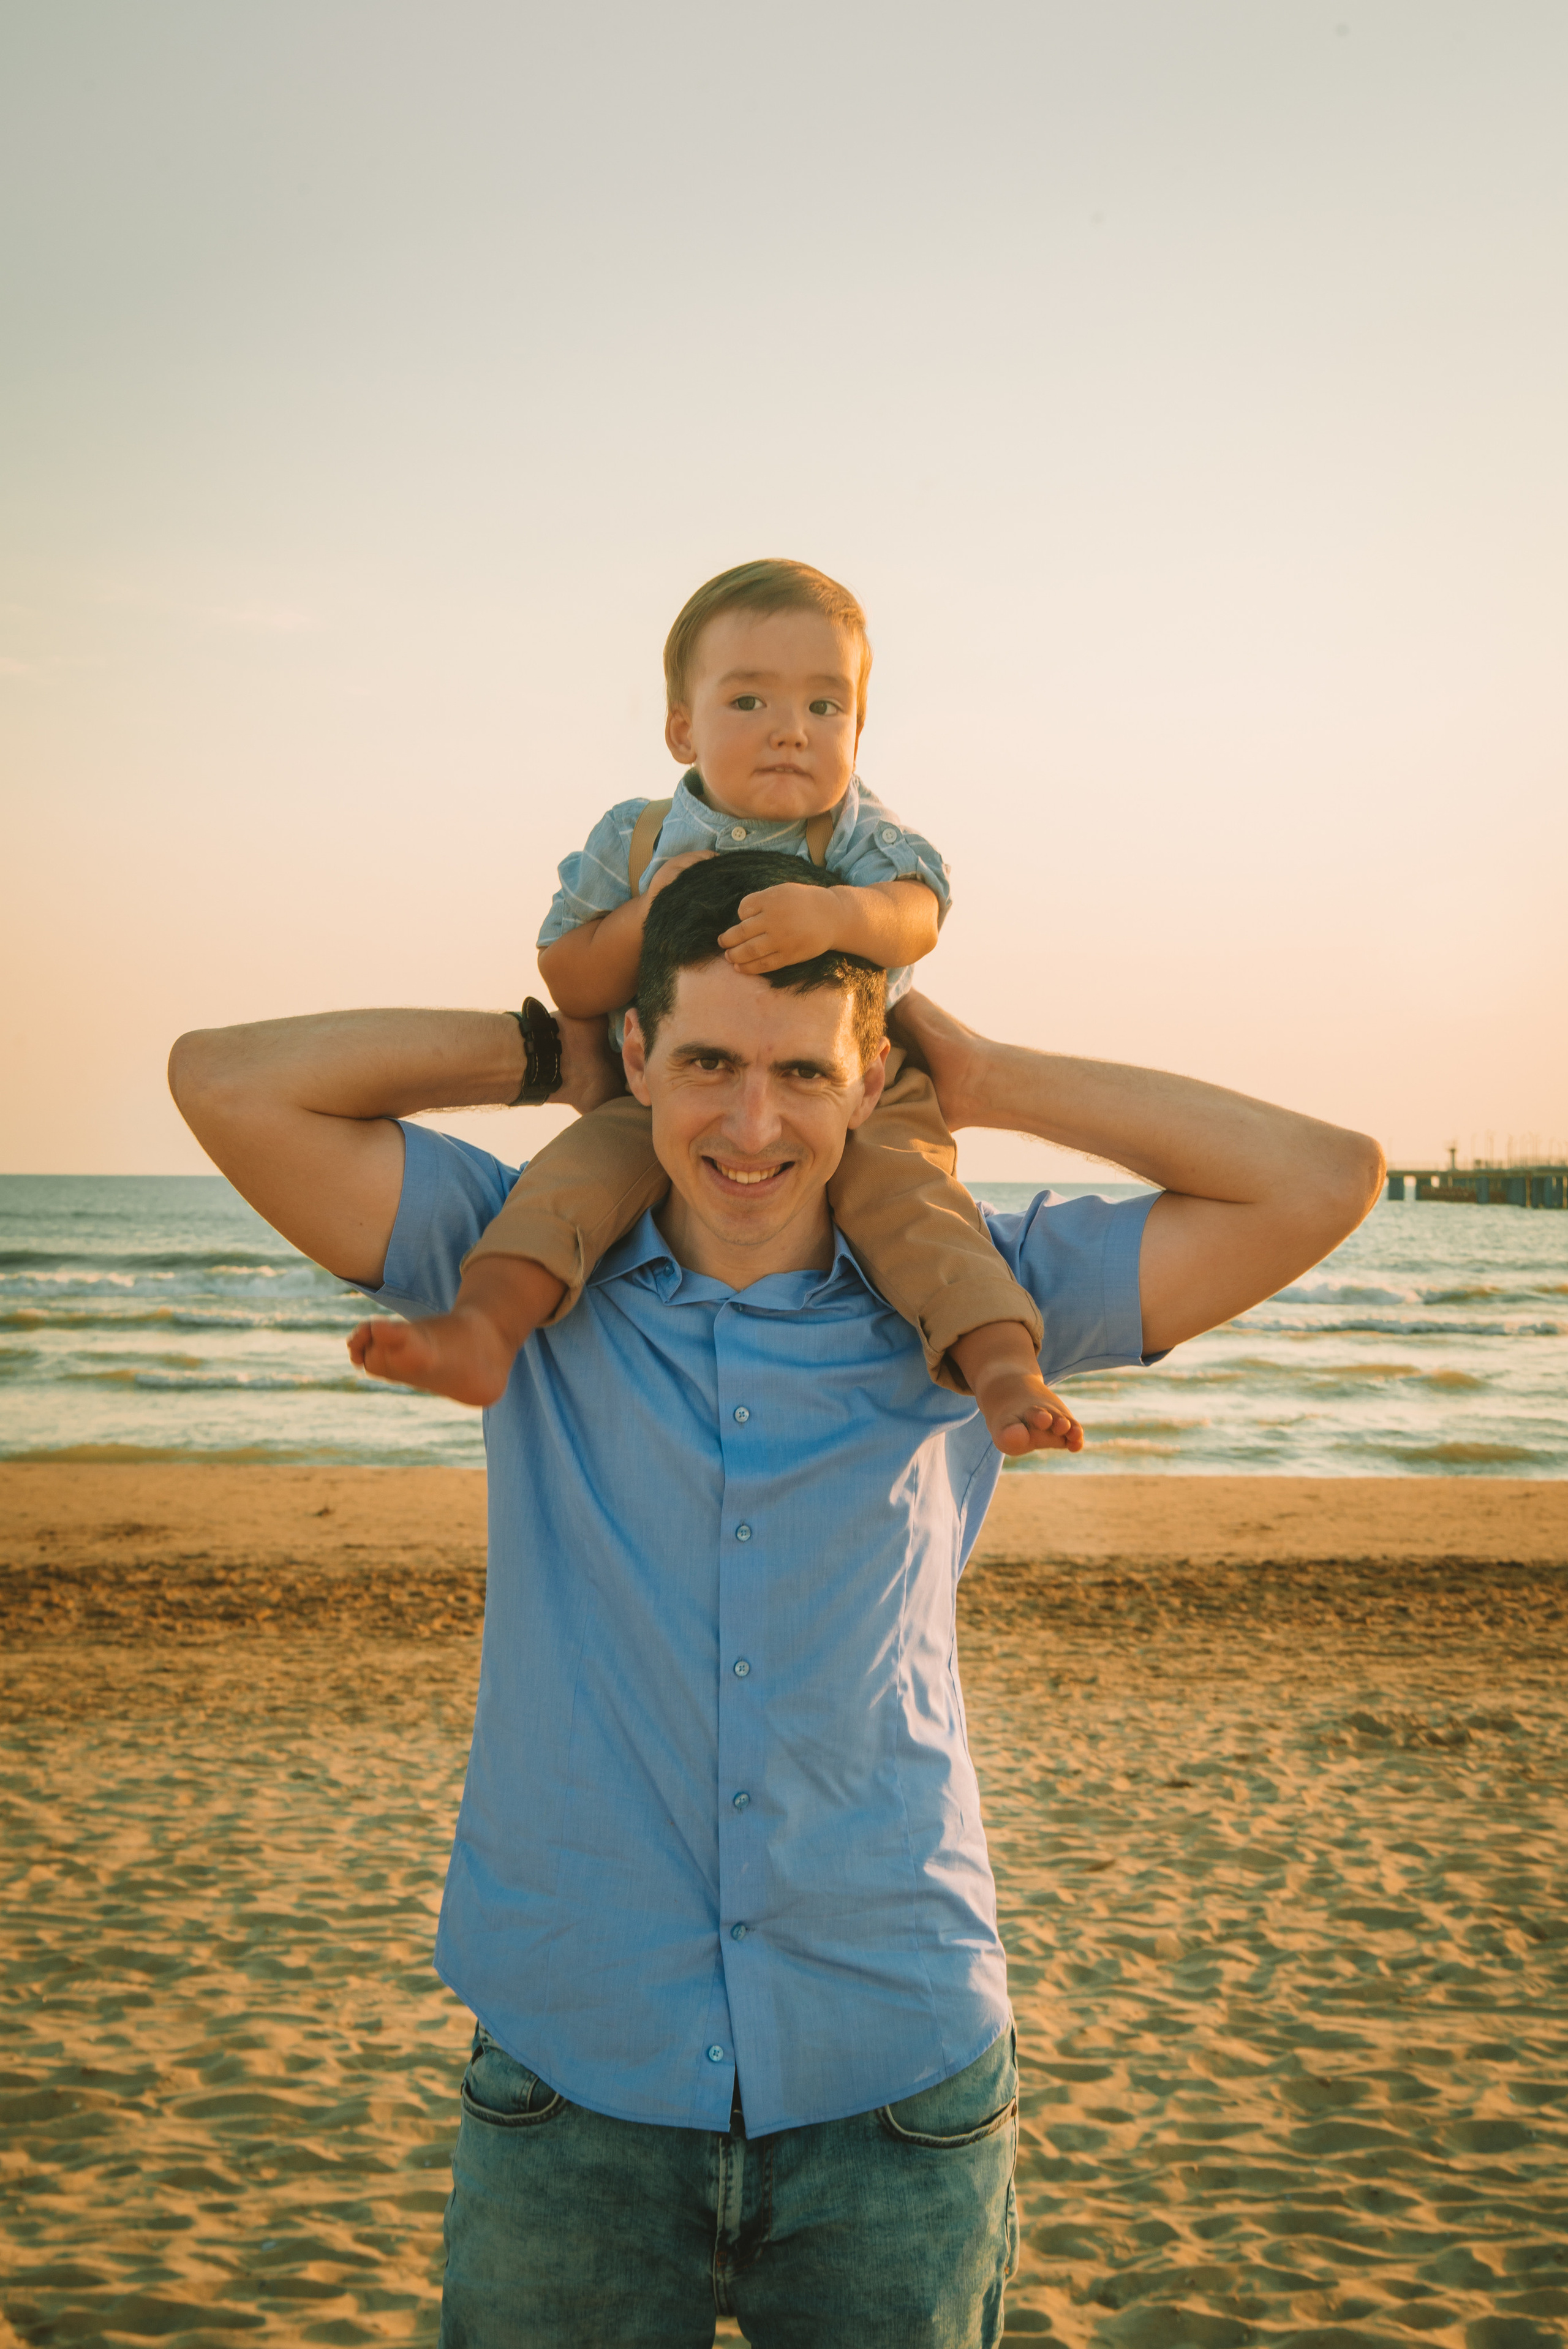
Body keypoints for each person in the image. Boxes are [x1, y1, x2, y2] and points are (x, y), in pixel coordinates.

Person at [167, 860, 1382, 2348]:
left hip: (895, 2082)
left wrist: (986, 1079)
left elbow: (1322, 1177)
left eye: (802, 1073)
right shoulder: (514, 1264)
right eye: (707, 1065)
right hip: (574, 2077)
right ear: (638, 1059)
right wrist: (548, 1049)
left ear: (866, 1080)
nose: (751, 1127)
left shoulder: (977, 1290)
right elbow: (226, 1082)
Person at [359, 557, 1074, 1458]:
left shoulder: (857, 834)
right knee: (568, 1185)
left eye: (826, 706)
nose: (791, 730)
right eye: (750, 701)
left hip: (858, 1085)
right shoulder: (639, 838)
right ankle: (484, 1330)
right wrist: (647, 915)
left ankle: (1002, 1369)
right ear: (681, 727)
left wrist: (839, 915)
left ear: (859, 728)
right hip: (676, 1083)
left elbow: (917, 916)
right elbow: (569, 975)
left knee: (920, 1211)